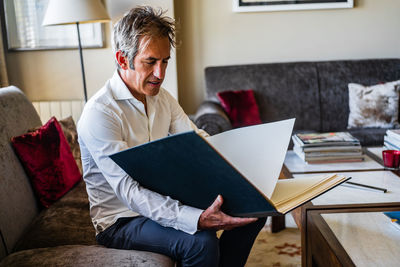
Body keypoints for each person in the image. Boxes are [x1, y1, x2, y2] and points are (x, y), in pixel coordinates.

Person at [77, 6, 266, 267]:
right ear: (123, 60)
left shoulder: (160, 98)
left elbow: (198, 140)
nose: (161, 74)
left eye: (165, 61)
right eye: (150, 62)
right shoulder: (100, 113)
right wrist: (195, 219)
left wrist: (245, 169)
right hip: (121, 220)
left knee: (255, 209)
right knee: (201, 242)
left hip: (162, 197)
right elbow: (129, 192)